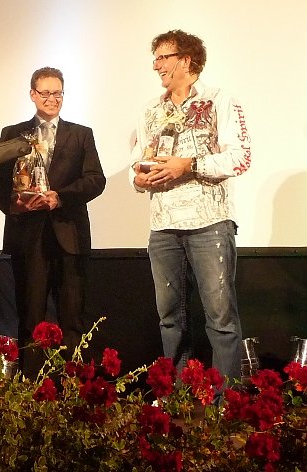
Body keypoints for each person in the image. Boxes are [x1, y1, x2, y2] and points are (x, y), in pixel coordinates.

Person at [129, 30, 252, 383]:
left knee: (220, 318)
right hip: (163, 226)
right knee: (170, 319)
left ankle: (225, 402)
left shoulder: (220, 100)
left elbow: (241, 158)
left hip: (210, 223)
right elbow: (137, 165)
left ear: (186, 59)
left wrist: (188, 165)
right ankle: (180, 398)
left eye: (162, 58)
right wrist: (139, 180)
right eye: (155, 59)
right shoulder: (150, 110)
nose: (156, 66)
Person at [0, 67, 105, 378]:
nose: (52, 99)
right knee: (30, 318)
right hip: (28, 238)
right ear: (32, 94)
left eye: (58, 93)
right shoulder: (12, 134)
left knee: (72, 320)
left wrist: (60, 197)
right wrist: (17, 205)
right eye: (45, 93)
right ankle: (29, 389)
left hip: (69, 237)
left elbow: (96, 180)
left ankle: (73, 389)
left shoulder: (81, 134)